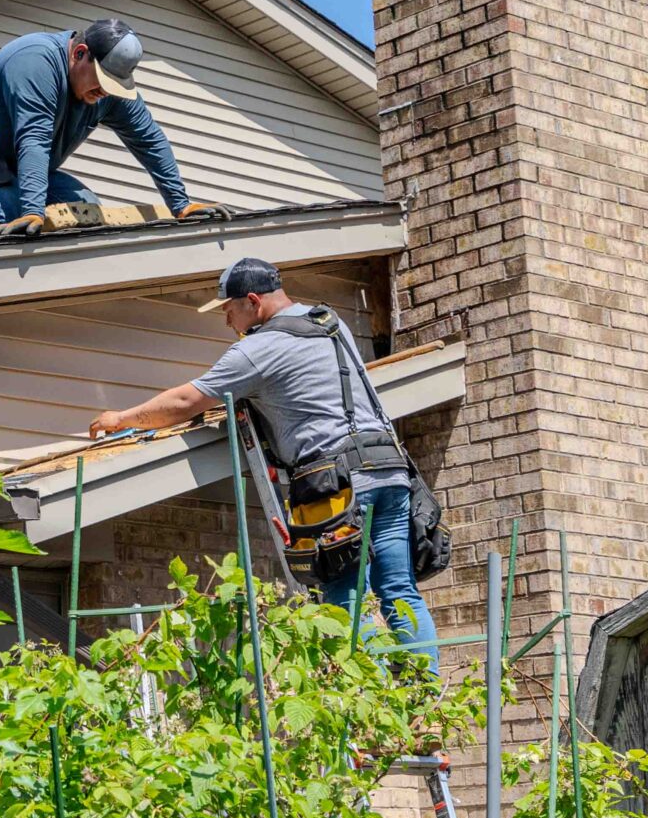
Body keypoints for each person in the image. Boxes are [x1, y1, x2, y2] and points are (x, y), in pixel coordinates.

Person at [85, 257, 442, 661]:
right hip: (388, 469)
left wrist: (121, 418)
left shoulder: (258, 348)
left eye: (229, 309)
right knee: (398, 589)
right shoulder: (329, 321)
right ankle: (423, 695)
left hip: (337, 483)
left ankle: (371, 699)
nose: (227, 321)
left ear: (253, 301)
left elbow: (187, 400)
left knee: (344, 597)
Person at [0, 18, 227, 241]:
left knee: (85, 210)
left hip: (6, 171)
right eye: (101, 80)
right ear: (80, 54)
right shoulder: (36, 61)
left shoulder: (108, 92)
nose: (105, 91)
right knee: (5, 217)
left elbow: (149, 139)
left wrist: (181, 204)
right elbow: (34, 138)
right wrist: (32, 212)